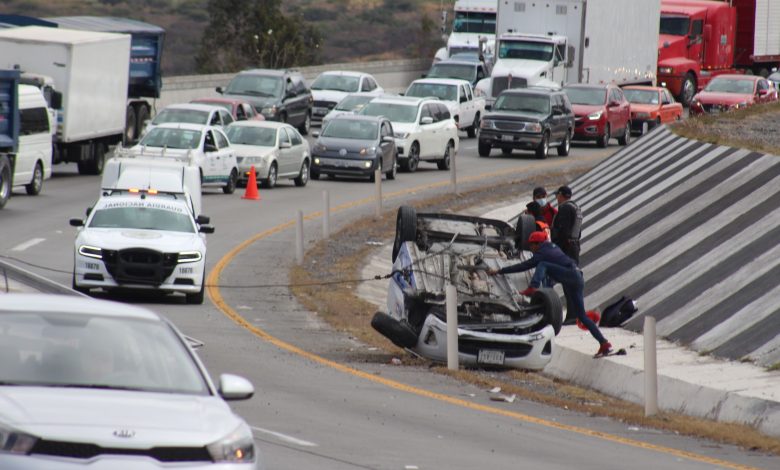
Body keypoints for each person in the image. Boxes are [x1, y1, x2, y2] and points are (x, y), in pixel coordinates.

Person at [487, 231, 612, 356]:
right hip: (577, 277)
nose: (531, 248)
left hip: (570, 276)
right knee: (583, 317)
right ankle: (604, 343)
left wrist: (500, 271)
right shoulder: (552, 247)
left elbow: (524, 266)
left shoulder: (542, 252)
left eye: (531, 245)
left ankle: (533, 287)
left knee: (543, 265)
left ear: (538, 244)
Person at [551, 185, 582, 264]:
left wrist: (557, 247)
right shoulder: (575, 207)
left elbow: (563, 231)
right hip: (575, 245)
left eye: (557, 195)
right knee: (573, 271)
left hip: (567, 248)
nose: (556, 198)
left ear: (560, 195)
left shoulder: (565, 208)